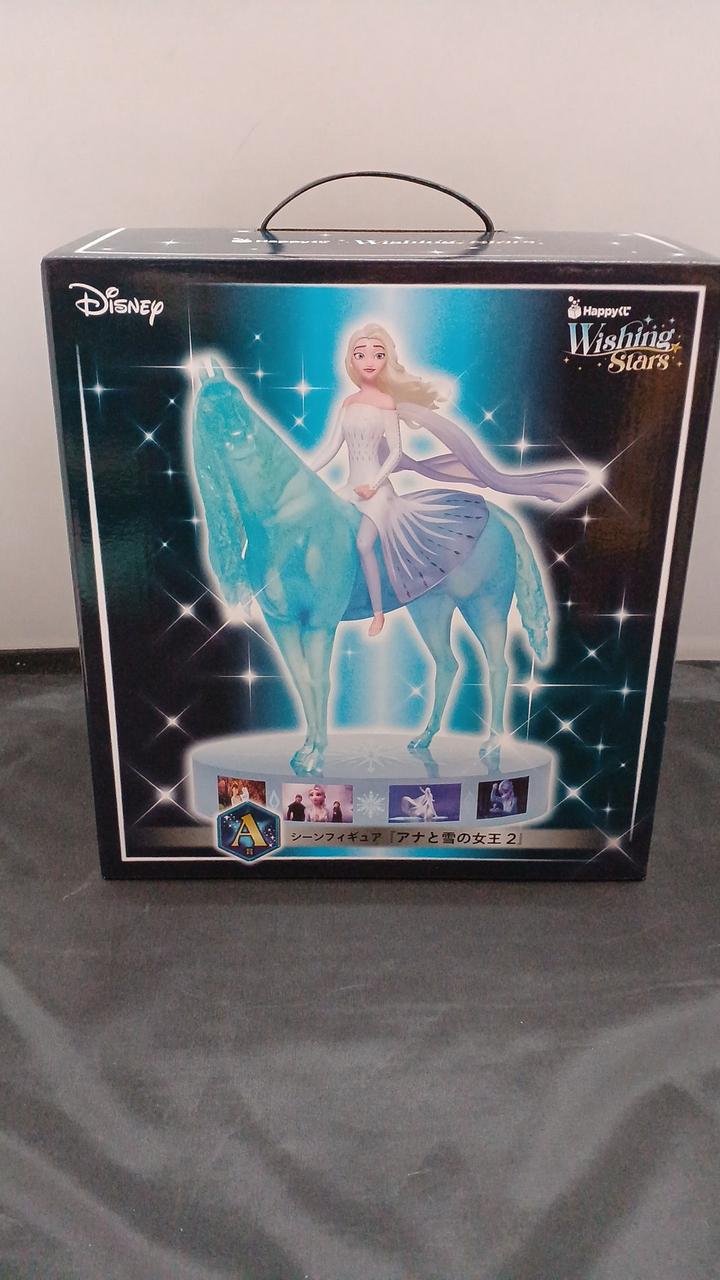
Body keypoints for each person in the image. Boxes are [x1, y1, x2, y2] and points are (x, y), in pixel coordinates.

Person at [311, 324, 589, 637]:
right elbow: (330, 447)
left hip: (378, 493)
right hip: (350, 489)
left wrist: (374, 485)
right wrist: (304, 471)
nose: (369, 361)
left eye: (378, 354)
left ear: (387, 360)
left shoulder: (386, 403)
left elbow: (395, 452)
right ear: (351, 360)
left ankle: (377, 612)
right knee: (321, 529)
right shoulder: (348, 404)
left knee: (364, 543)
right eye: (360, 355)